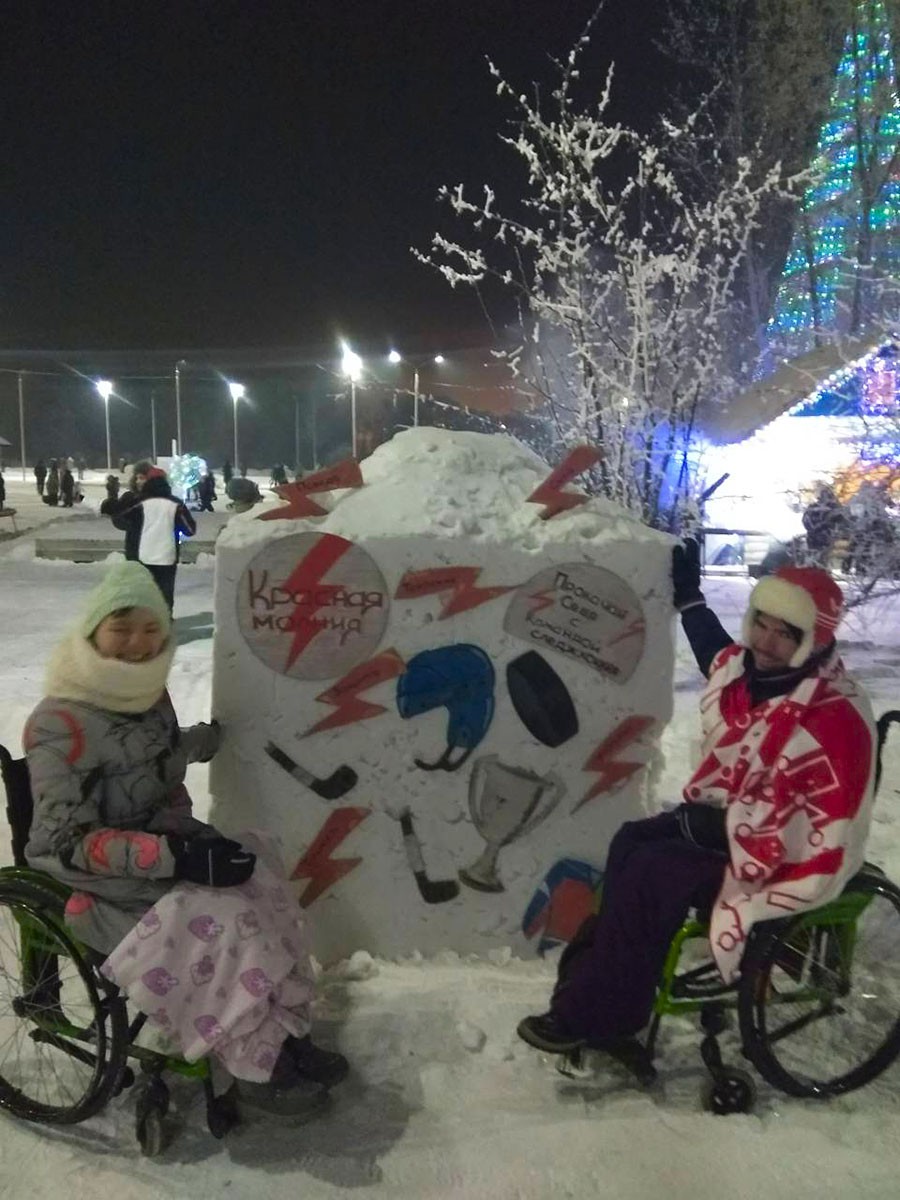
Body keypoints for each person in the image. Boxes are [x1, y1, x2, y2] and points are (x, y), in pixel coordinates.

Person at [517, 540, 876, 1058]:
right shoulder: (750, 676)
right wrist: (690, 598)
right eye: (760, 623)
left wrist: (718, 829)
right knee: (630, 842)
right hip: (731, 828)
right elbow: (716, 652)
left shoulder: (832, 716)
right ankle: (612, 993)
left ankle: (592, 1015)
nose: (765, 642)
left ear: (812, 642)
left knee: (652, 871)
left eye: (784, 633)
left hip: (781, 860)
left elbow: (820, 821)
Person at [23, 561, 348, 1114]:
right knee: (230, 922)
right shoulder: (60, 721)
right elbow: (65, 841)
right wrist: (173, 856)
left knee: (263, 880)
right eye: (121, 627)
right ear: (93, 631)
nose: (137, 642)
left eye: (151, 628)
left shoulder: (149, 695)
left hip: (161, 847)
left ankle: (283, 1031)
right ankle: (254, 1061)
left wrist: (211, 739)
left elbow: (158, 757)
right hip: (95, 877)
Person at [110, 467, 195, 610]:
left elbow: (120, 519)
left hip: (142, 555)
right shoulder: (176, 504)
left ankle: (144, 618)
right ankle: (165, 618)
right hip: (167, 555)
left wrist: (136, 526)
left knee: (142, 592)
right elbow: (190, 530)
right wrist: (173, 526)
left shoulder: (139, 502)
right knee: (165, 593)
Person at [802, 485, 847, 569]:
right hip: (819, 539)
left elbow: (843, 522)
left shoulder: (836, 508)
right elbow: (806, 522)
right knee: (818, 559)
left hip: (828, 539)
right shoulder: (813, 508)